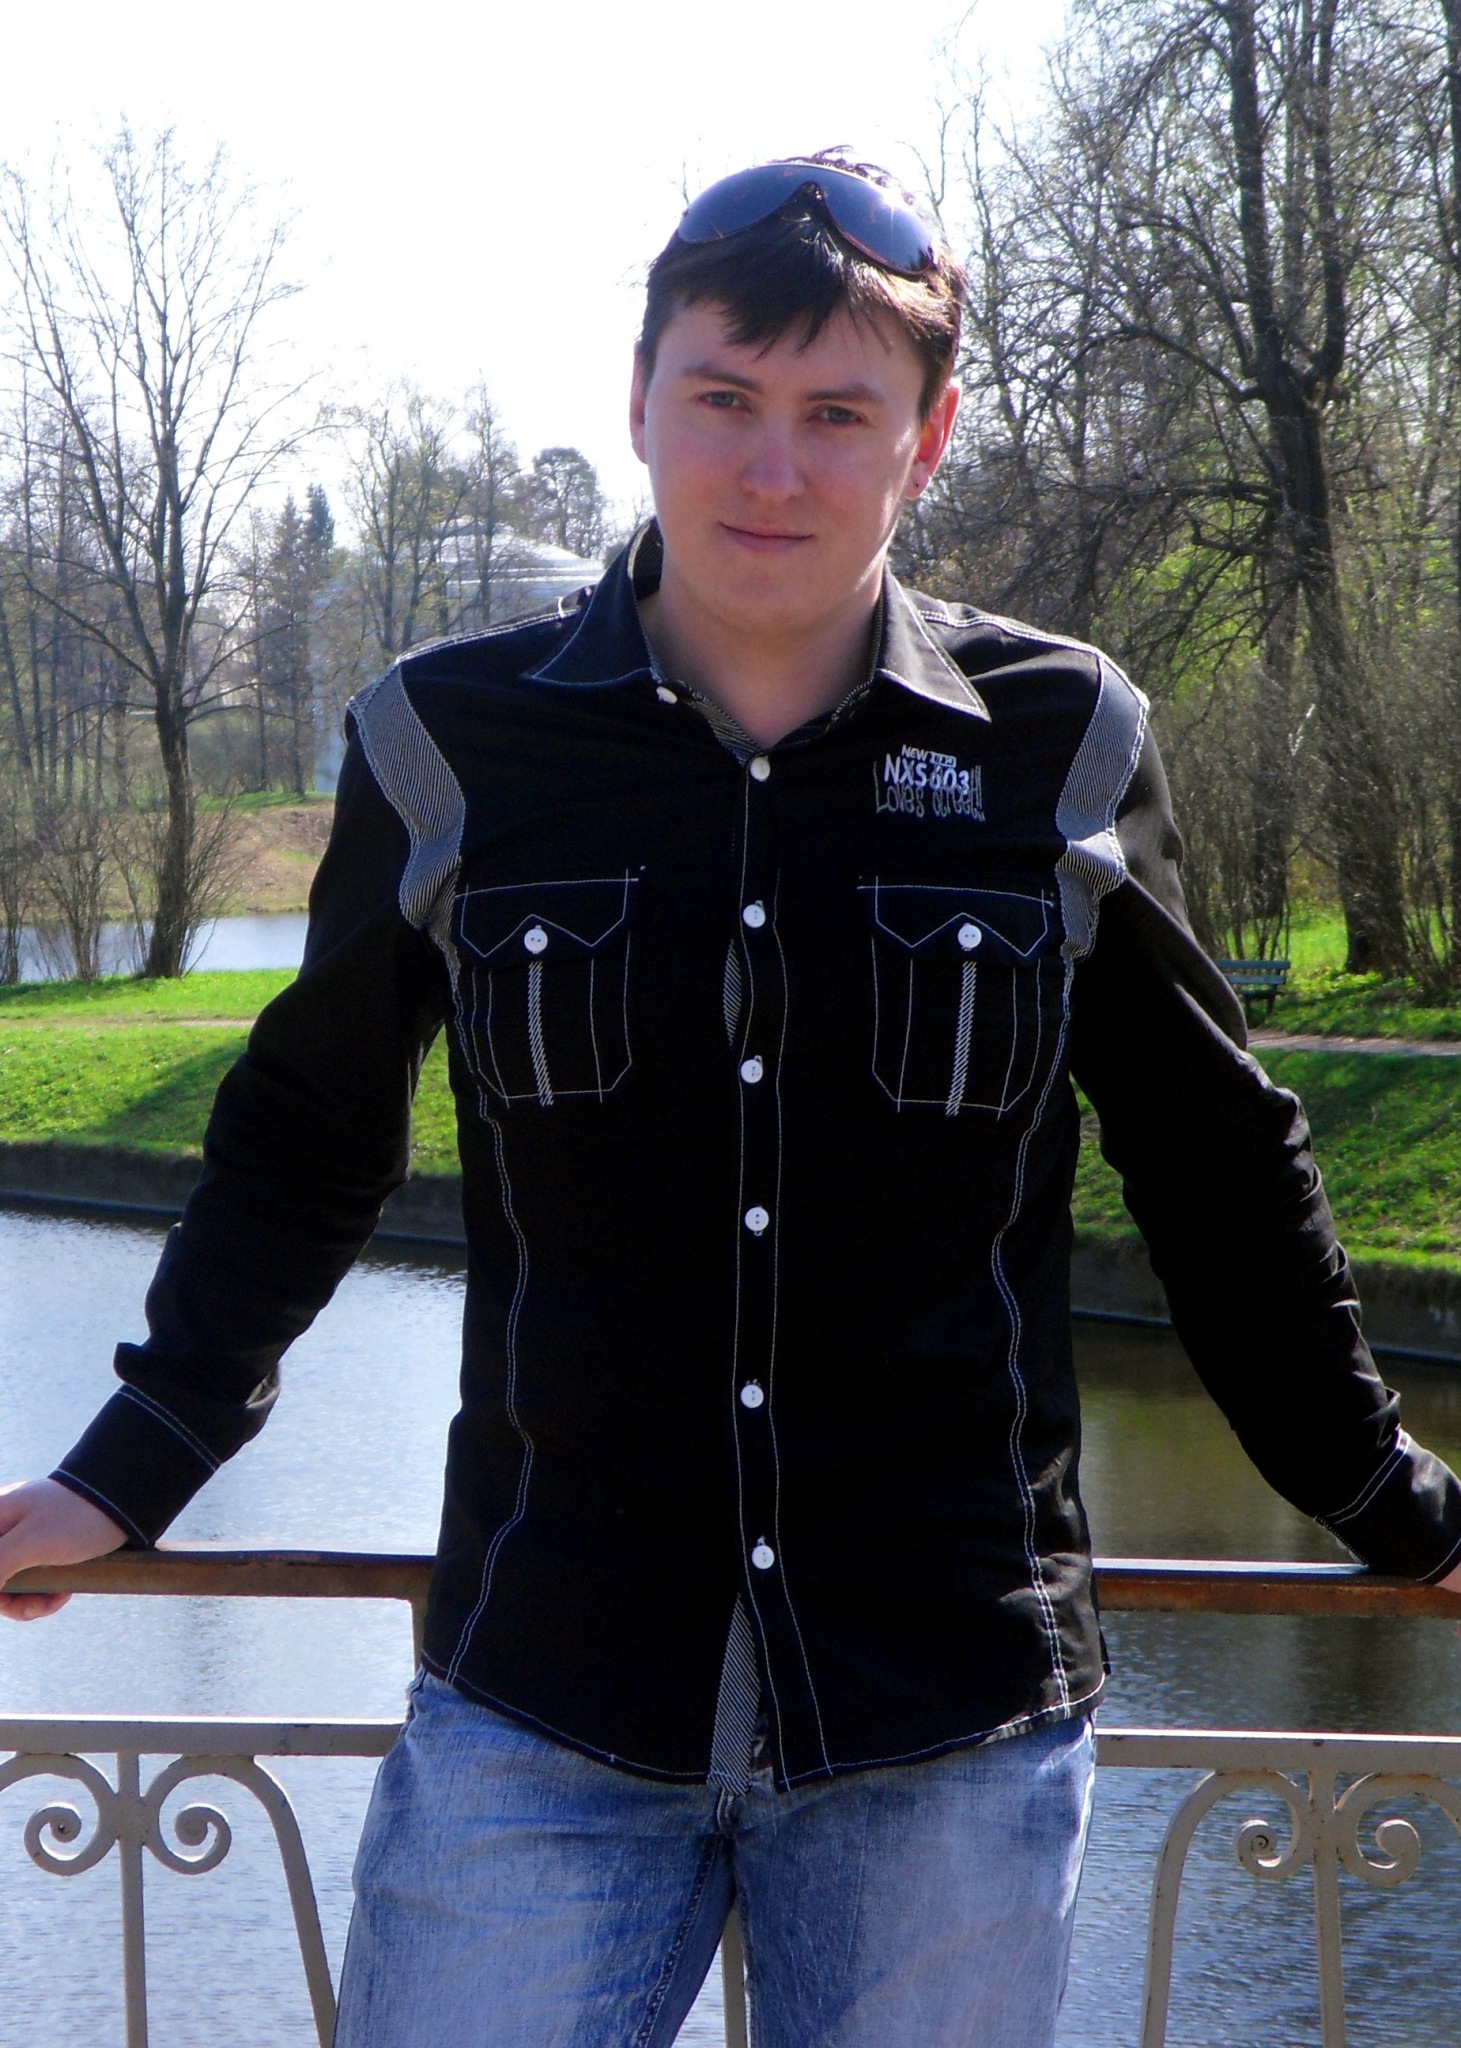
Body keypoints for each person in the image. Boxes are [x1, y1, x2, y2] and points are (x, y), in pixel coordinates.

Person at [1, 153, 1459, 2048]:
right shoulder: (446, 741)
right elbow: (305, 1139)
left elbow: (1215, 1163)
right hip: (543, 1701)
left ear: (926, 438)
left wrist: (1387, 1500)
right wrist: (132, 1466)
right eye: (723, 399)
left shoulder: (1063, 739)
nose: (772, 469)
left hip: (947, 1716)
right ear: (639, 402)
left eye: (837, 414)